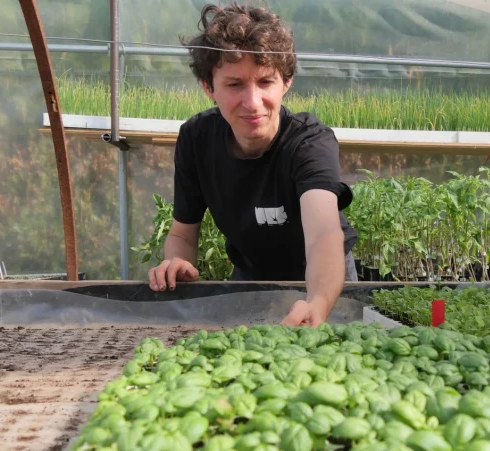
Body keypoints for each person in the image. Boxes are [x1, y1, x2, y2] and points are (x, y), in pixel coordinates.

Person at [147, 1, 358, 327]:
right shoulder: (196, 138)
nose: (252, 102)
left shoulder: (308, 142)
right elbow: (183, 234)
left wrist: (318, 302)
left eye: (265, 82)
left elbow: (324, 236)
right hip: (248, 277)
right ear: (209, 87)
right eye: (234, 85)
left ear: (286, 83)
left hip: (322, 280)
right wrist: (177, 262)